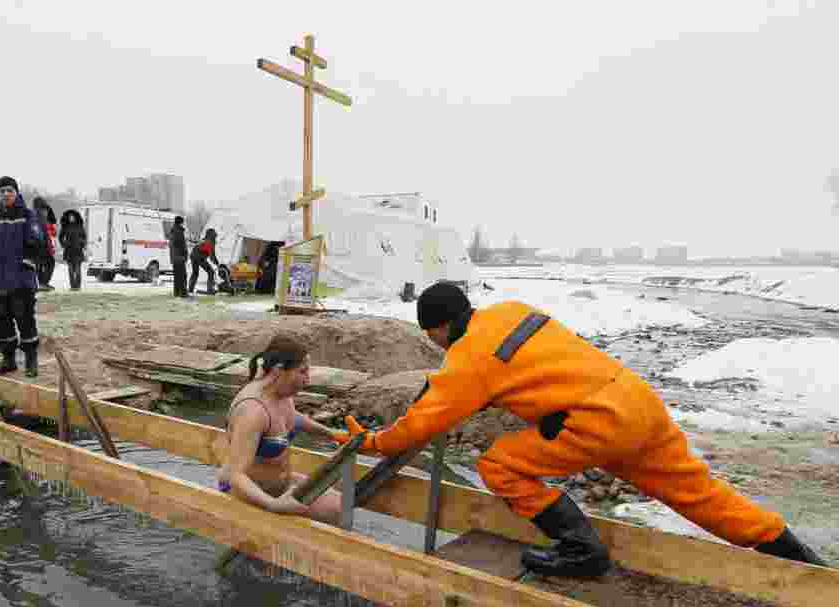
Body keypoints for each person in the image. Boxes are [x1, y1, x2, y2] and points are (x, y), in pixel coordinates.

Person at [337, 282, 829, 578]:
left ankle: (581, 551)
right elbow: (542, 366)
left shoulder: (468, 360)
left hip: (595, 425)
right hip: (636, 403)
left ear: (438, 329)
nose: (437, 346)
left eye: (433, 338)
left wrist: (374, 440)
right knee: (699, 494)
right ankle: (801, 560)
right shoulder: (512, 311)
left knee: (499, 466)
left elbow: (426, 421)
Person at [214, 335, 348, 524]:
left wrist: (334, 434)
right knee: (333, 513)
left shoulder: (281, 393)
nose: (307, 380)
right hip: (247, 493)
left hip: (280, 485)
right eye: (302, 372)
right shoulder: (252, 411)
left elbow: (294, 419)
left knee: (341, 506)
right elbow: (236, 476)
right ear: (278, 371)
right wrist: (272, 505)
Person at [0, 176, 43, 378]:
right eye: (2, 191)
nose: (6, 194)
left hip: (21, 279)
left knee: (24, 319)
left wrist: (27, 263)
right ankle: (8, 360)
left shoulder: (27, 215)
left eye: (9, 190)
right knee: (2, 320)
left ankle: (31, 360)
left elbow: (37, 243)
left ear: (16, 192)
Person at [32, 197, 57, 291]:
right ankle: (42, 283)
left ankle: (41, 283)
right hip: (41, 245)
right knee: (49, 263)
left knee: (40, 265)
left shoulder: (34, 214)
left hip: (38, 245)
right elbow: (41, 231)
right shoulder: (39, 216)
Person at [58, 209, 86, 291]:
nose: (71, 218)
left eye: (73, 217)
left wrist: (82, 244)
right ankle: (73, 286)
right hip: (69, 250)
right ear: (68, 218)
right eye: (70, 217)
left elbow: (84, 237)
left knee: (77, 269)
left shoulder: (80, 226)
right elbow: (60, 237)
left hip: (78, 250)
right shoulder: (65, 226)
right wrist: (64, 244)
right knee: (70, 269)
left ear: (75, 217)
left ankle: (78, 286)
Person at [188, 228, 219, 295]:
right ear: (212, 235)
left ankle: (190, 289)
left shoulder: (204, 240)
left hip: (193, 255)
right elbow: (212, 256)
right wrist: (217, 263)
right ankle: (210, 289)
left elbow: (210, 254)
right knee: (211, 272)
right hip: (199, 257)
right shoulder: (211, 242)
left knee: (195, 273)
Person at [169, 215, 189, 298]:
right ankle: (183, 293)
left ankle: (177, 293)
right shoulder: (178, 231)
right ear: (180, 222)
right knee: (182, 275)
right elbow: (180, 245)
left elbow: (173, 245)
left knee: (177, 276)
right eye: (182, 222)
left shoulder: (173, 231)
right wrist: (185, 255)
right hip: (179, 257)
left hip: (174, 257)